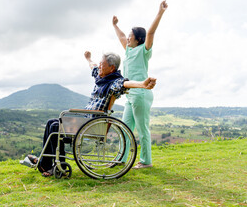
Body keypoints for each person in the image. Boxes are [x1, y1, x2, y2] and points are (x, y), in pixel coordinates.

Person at [25, 51, 157, 177]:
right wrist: (88, 58)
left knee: (55, 127)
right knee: (51, 122)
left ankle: (58, 166)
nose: (99, 67)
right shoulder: (101, 77)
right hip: (85, 120)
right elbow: (93, 67)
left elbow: (125, 84)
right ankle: (45, 163)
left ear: (111, 68)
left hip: (91, 122)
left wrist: (143, 84)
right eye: (100, 64)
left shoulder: (114, 82)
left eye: (102, 65)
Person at [112, 0, 168, 169]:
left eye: (131, 36)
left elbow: (150, 33)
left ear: (139, 39)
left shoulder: (144, 51)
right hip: (130, 95)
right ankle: (121, 159)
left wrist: (160, 12)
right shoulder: (129, 50)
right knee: (125, 129)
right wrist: (115, 25)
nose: (127, 37)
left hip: (142, 93)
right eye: (128, 36)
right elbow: (121, 37)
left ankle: (146, 161)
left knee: (142, 130)